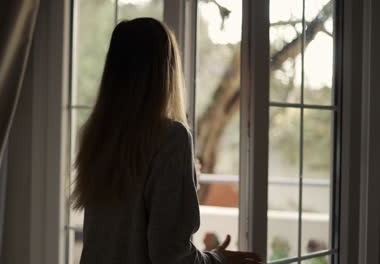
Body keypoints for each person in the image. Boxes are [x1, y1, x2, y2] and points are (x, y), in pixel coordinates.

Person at [71, 17, 263, 264]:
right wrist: (219, 260)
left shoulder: (97, 136)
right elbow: (171, 256)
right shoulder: (171, 138)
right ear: (167, 70)